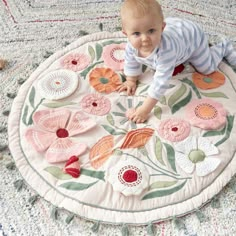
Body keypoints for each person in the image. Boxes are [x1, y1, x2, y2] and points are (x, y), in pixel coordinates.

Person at [118, 0, 236, 123]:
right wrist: (131, 80)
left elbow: (160, 83)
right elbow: (130, 61)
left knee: (207, 69)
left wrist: (145, 110)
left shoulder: (166, 51)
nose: (145, 39)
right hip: (176, 28)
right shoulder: (131, 46)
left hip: (192, 37)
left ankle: (224, 47)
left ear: (162, 28)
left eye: (151, 31)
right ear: (126, 34)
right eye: (136, 33)